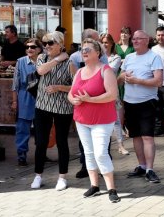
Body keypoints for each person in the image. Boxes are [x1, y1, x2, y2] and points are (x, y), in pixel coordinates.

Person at [68, 38, 121, 203]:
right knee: (88, 152)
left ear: (98, 52)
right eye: (82, 50)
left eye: (88, 50)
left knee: (100, 153)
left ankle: (111, 188)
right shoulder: (79, 71)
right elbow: (71, 92)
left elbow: (112, 95)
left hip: (102, 120)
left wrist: (89, 99)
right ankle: (94, 186)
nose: (84, 52)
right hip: (82, 119)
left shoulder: (106, 70)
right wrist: (73, 100)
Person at [117, 30, 163, 183]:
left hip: (147, 102)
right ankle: (141, 166)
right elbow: (119, 79)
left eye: (139, 39)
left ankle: (150, 169)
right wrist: (124, 76)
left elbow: (158, 81)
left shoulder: (154, 57)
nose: (135, 41)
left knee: (147, 137)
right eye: (134, 39)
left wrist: (138, 81)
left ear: (147, 41)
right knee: (135, 136)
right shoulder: (129, 57)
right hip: (130, 102)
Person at [30, 31, 74, 191]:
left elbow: (75, 86)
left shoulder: (70, 62)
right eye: (45, 43)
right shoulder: (42, 58)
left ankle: (62, 177)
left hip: (62, 107)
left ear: (61, 44)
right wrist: (56, 59)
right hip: (42, 106)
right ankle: (38, 175)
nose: (46, 46)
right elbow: (40, 71)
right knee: (41, 142)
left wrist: (59, 87)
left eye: (50, 43)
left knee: (62, 142)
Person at [11, 38, 43, 166]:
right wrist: (14, 101)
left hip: (41, 97)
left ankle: (41, 153)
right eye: (28, 47)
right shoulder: (21, 62)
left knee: (41, 128)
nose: (29, 49)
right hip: (25, 96)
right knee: (23, 128)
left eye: (33, 47)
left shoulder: (45, 61)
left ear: (39, 49)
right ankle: (21, 155)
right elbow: (15, 84)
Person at [102, 33, 129, 155]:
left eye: (106, 42)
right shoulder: (96, 57)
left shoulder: (116, 58)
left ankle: (120, 145)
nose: (104, 44)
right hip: (98, 91)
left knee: (116, 119)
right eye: (102, 42)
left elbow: (110, 71)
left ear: (112, 43)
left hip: (111, 90)